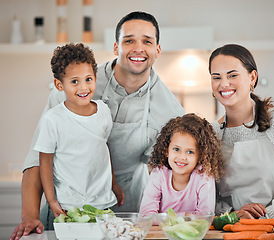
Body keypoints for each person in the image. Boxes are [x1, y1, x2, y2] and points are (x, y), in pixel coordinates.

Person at [10, 11, 185, 240]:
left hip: (128, 212)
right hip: (66, 210)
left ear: (157, 50)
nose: (138, 48)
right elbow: (38, 156)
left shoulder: (170, 111)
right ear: (116, 47)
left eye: (147, 41)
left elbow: (168, 174)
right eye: (129, 40)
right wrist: (30, 215)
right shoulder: (78, 81)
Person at [208, 44, 274, 221]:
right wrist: (234, 217)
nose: (224, 84)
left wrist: (258, 220)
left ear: (252, 77)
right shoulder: (211, 135)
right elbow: (208, 199)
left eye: (233, 75)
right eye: (216, 77)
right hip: (232, 231)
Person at [36, 43, 119, 228]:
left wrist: (114, 184)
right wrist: (51, 200)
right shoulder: (53, 119)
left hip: (102, 204)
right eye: (74, 81)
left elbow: (104, 150)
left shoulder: (104, 111)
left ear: (96, 78)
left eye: (88, 79)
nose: (83, 87)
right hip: (66, 205)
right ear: (59, 84)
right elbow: (45, 161)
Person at [139, 113, 224, 218]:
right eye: (176, 149)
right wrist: (187, 216)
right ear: (166, 150)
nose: (182, 157)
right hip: (161, 233)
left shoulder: (204, 177)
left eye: (190, 152)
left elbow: (205, 217)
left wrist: (165, 218)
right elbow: (145, 216)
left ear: (201, 156)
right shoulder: (159, 173)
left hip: (194, 233)